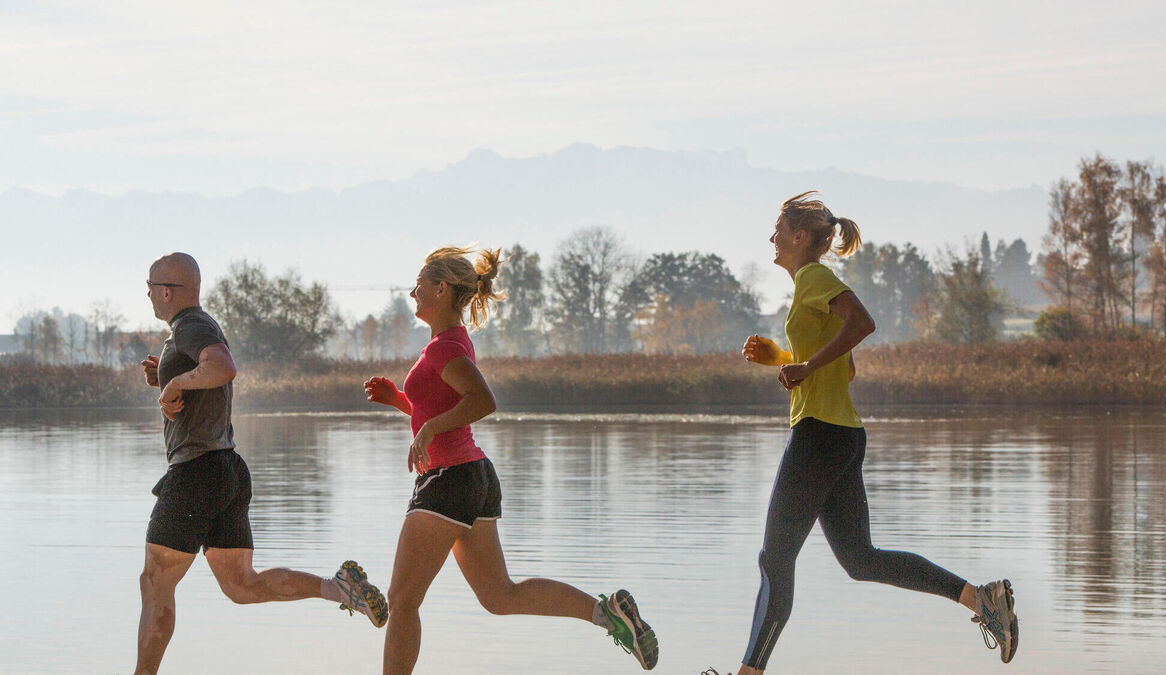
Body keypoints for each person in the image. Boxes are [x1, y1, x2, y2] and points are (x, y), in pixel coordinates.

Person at [721, 193, 1018, 674]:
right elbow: (846, 367)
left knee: (776, 560)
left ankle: (748, 673)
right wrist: (786, 359)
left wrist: (804, 366)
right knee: (860, 560)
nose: (771, 238)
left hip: (819, 436)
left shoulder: (813, 277)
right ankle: (981, 599)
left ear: (799, 236)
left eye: (778, 230)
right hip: (840, 435)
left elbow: (862, 323)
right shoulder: (809, 287)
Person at [364, 246, 658, 674]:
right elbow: (444, 410)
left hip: (448, 480)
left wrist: (427, 430)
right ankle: (607, 613)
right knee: (500, 596)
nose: (413, 293)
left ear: (442, 289)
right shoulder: (450, 343)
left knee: (402, 599)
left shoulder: (445, 348)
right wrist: (399, 402)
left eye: (419, 285)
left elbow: (483, 401)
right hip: (473, 476)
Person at [136, 252, 388, 675]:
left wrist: (176, 380)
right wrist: (166, 374)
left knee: (155, 582)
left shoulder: (190, 326)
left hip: (195, 472)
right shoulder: (194, 328)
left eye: (150, 286)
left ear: (166, 291)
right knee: (241, 585)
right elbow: (207, 372)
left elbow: (223, 366)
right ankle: (338, 588)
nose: (146, 294)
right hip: (226, 470)